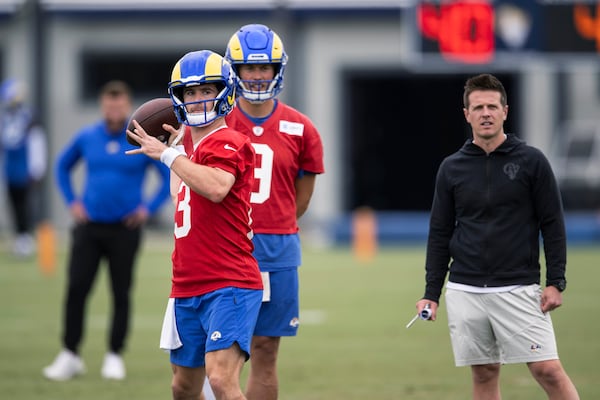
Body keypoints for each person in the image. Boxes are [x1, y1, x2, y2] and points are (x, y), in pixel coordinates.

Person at [415, 73, 580, 399]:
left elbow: (553, 225)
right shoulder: (451, 168)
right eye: (478, 107)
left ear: (506, 111)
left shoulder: (532, 161)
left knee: (548, 370)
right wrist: (431, 293)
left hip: (519, 288)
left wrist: (555, 281)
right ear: (467, 114)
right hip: (466, 290)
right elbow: (439, 233)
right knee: (485, 373)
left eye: (492, 106)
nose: (486, 113)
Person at [126, 50, 263, 400]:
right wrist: (176, 152)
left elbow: (217, 187)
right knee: (183, 388)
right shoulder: (189, 150)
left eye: (206, 89)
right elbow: (180, 198)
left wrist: (169, 155)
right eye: (190, 92)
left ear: (226, 91)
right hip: (186, 284)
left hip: (229, 281)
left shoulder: (229, 140)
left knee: (220, 379)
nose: (198, 98)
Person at [222, 24, 325, 400]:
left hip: (277, 248)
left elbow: (302, 198)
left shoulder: (301, 128)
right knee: (219, 349)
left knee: (265, 350)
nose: (257, 74)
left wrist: (272, 224)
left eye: (264, 66)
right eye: (249, 67)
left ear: (277, 68)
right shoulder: (216, 122)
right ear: (234, 70)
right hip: (225, 248)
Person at [43, 80, 171, 381]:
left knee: (121, 292)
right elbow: (62, 167)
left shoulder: (140, 138)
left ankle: (114, 354)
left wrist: (148, 210)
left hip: (125, 230)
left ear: (127, 107)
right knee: (76, 289)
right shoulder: (87, 137)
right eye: (109, 104)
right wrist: (72, 202)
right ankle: (70, 354)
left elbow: (167, 175)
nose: (114, 110)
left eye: (120, 105)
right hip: (89, 228)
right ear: (103, 106)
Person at [0, 78, 47, 257]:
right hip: (9, 168)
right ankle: (19, 237)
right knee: (13, 204)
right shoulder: (5, 117)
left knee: (24, 204)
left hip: (24, 168)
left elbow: (37, 142)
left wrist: (37, 167)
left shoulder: (28, 116)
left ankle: (26, 238)